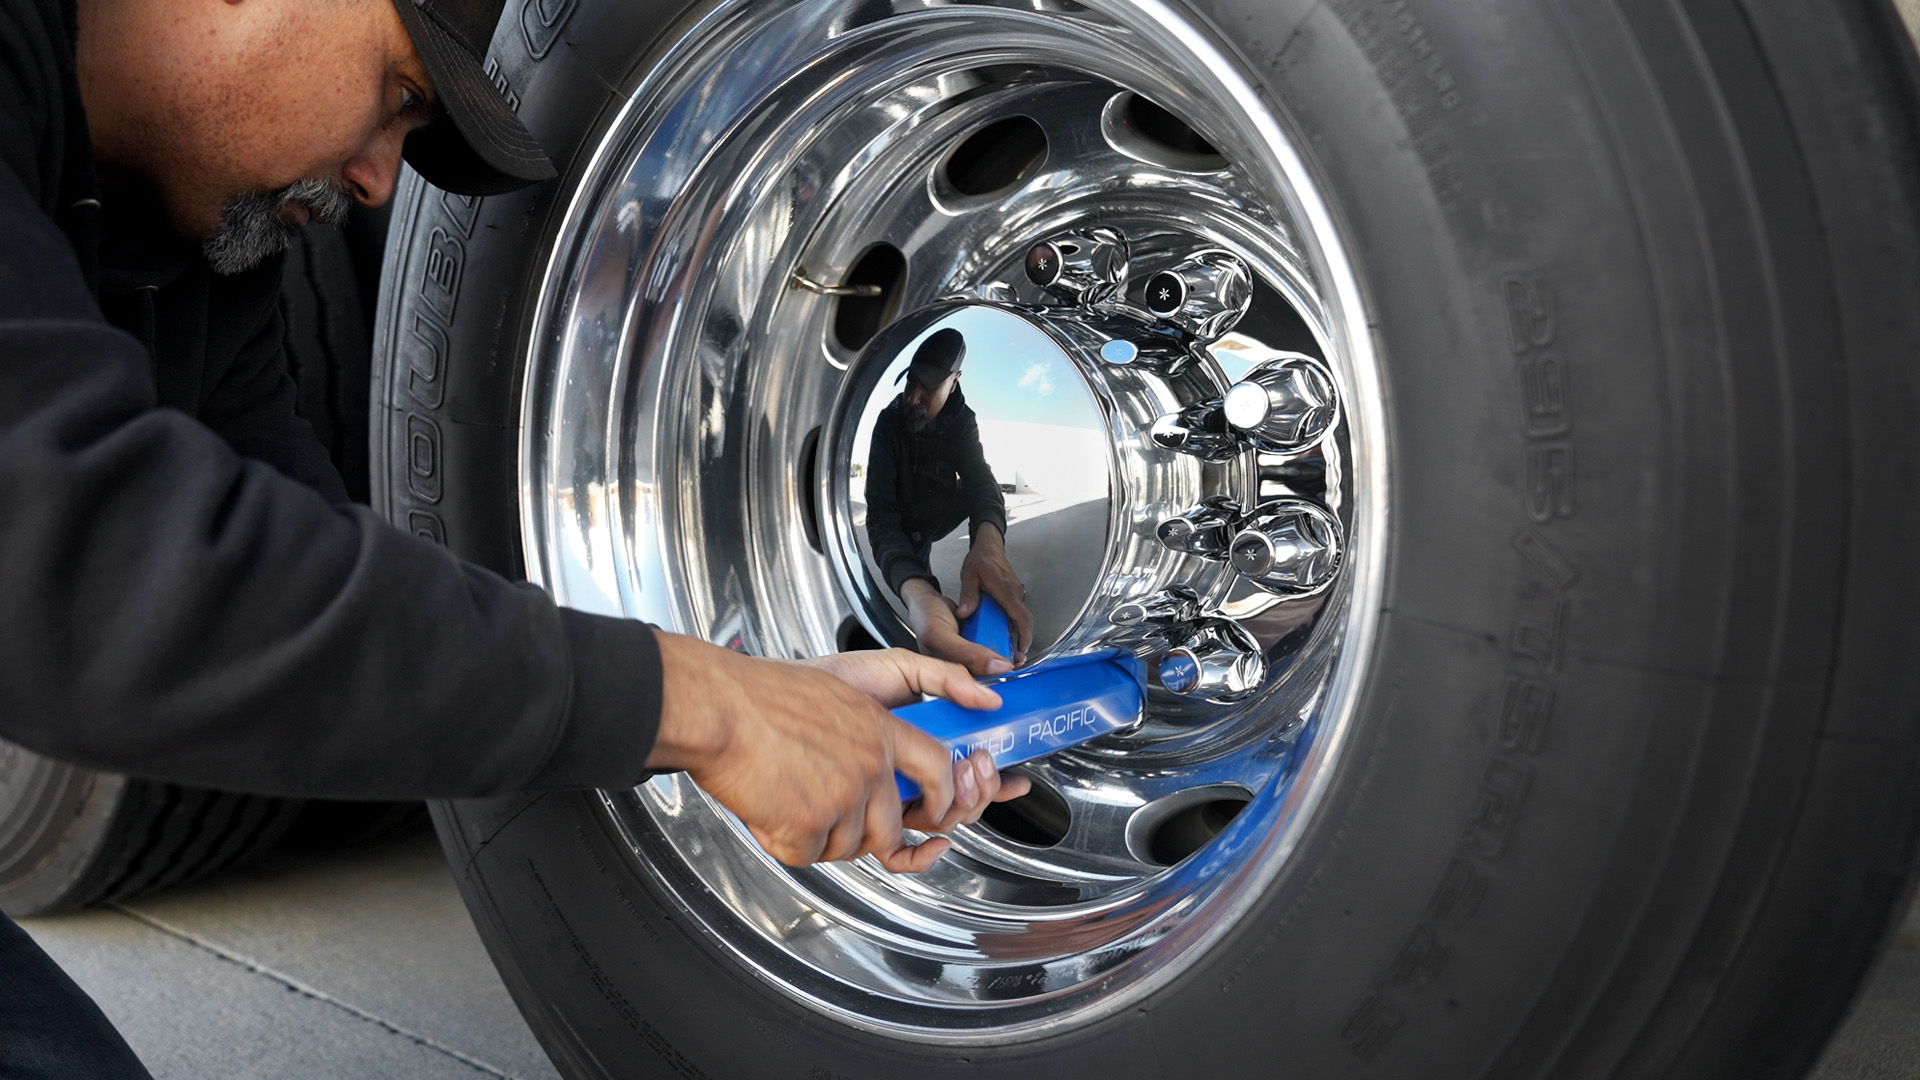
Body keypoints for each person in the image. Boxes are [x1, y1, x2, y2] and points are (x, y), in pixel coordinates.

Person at [0, 0, 1027, 1071]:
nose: (379, 182)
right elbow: (87, 568)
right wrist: (709, 709)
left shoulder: (191, 259)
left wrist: (765, 699)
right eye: (399, 96)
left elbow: (325, 609)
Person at [865, 328, 1036, 673]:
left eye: (928, 386)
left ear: (954, 383)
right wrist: (916, 590)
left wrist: (990, 545)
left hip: (940, 511)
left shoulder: (961, 422)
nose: (913, 398)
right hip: (906, 523)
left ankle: (990, 572)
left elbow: (981, 481)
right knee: (919, 579)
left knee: (979, 494)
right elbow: (881, 513)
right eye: (911, 381)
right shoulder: (889, 421)